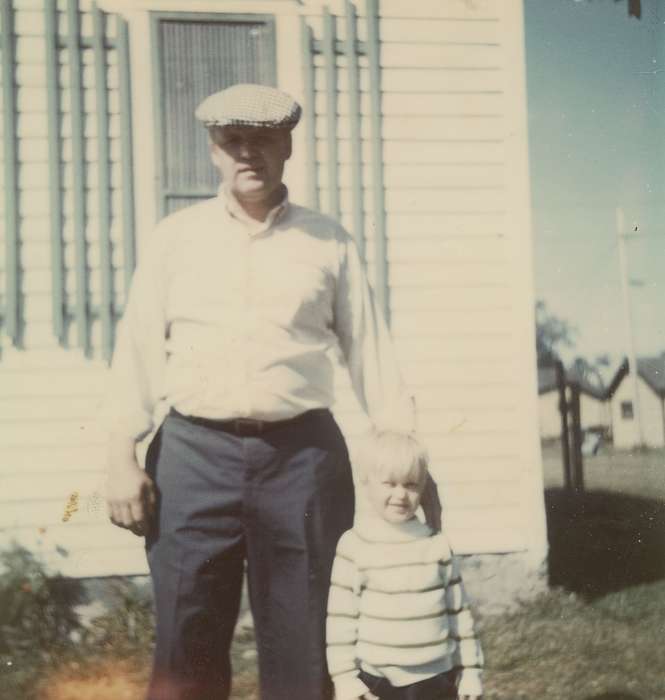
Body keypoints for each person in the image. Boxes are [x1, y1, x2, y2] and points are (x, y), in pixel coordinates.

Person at [104, 83, 427, 700]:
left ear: (287, 146)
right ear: (213, 151)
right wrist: (118, 455)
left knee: (308, 646)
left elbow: (372, 352)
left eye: (263, 140)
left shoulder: (327, 243)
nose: (248, 153)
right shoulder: (177, 238)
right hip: (192, 458)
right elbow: (138, 350)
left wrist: (405, 448)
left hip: (302, 461)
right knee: (185, 644)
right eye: (233, 141)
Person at [326, 431, 483, 700]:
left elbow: (459, 614)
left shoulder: (436, 545)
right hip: (377, 681)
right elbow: (341, 620)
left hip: (435, 680)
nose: (400, 494)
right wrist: (344, 679)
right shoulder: (354, 546)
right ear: (367, 484)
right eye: (389, 483)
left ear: (423, 487)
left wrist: (470, 672)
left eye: (411, 485)